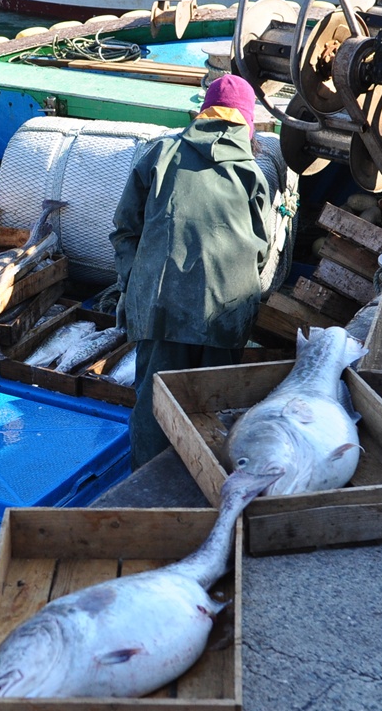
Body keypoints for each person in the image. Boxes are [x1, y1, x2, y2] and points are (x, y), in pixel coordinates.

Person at [110, 75, 272, 470]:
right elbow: (263, 254)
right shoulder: (253, 174)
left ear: (203, 114)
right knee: (213, 407)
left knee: (156, 406)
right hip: (226, 317)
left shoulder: (159, 154)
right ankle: (211, 484)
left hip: (160, 309)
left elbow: (124, 230)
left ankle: (148, 489)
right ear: (246, 125)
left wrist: (135, 291)